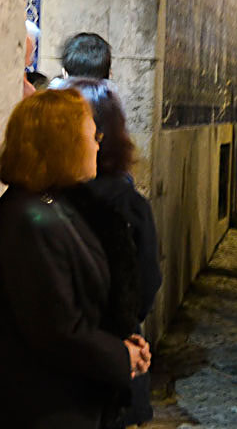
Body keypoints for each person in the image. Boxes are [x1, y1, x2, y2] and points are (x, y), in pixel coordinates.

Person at [0, 89, 150, 428]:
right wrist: (119, 355)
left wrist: (121, 344)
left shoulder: (55, 205)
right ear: (62, 143)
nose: (98, 144)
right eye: (90, 135)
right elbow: (55, 328)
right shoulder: (27, 219)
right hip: (41, 408)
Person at [50, 78, 162, 427]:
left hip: (85, 368)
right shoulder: (126, 203)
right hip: (109, 358)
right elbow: (147, 281)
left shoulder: (51, 199)